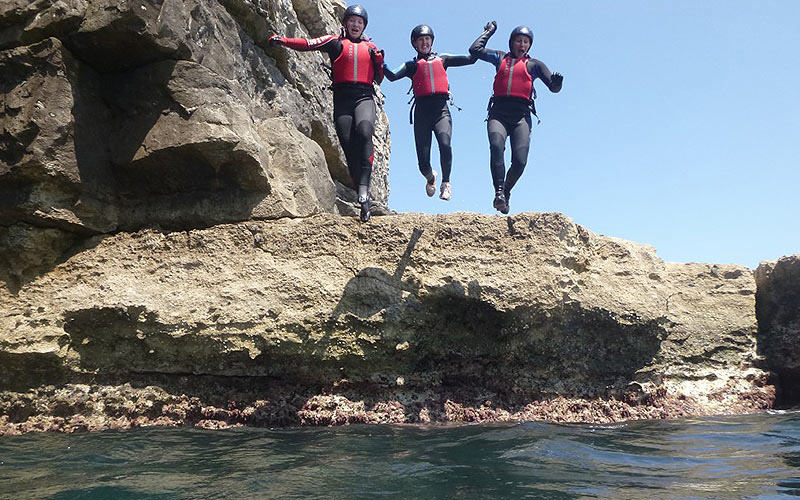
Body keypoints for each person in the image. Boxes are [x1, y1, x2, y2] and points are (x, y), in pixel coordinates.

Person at [270, 5, 384, 222]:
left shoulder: (371, 48)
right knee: (348, 144)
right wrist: (283, 40)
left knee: (364, 130)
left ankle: (364, 188)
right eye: (352, 21)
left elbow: (379, 78)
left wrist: (379, 63)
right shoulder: (335, 42)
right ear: (345, 23)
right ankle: (364, 202)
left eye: (360, 22)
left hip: (364, 97)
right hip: (342, 98)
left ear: (364, 26)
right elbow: (307, 44)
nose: (355, 25)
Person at [469, 21, 563, 214]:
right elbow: (475, 50)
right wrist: (489, 32)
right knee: (496, 147)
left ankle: (507, 193)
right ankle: (499, 192)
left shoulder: (535, 65)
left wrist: (558, 83)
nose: (522, 45)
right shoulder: (500, 58)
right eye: (518, 41)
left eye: (526, 42)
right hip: (499, 113)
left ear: (530, 45)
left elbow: (553, 89)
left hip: (521, 116)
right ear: (511, 43)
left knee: (519, 161)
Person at [383, 25, 476, 201]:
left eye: (427, 39)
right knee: (423, 164)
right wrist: (380, 61)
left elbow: (471, 58)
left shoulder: (443, 59)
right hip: (422, 115)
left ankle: (446, 183)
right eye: (421, 40)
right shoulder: (411, 65)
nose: (425, 42)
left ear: (432, 41)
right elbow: (392, 76)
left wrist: (485, 35)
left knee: (445, 144)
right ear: (415, 44)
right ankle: (431, 177)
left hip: (441, 111)